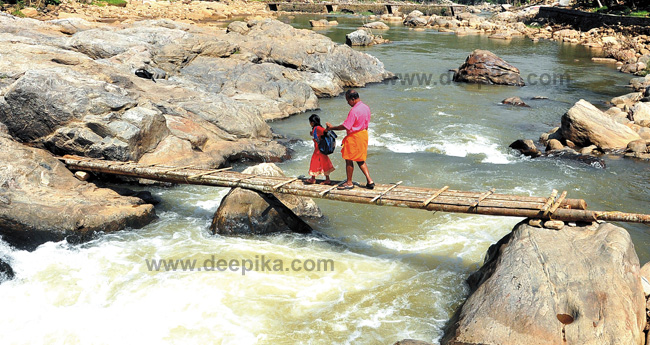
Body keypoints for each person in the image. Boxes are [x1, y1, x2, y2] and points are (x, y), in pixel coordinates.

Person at [326, 89, 375, 190]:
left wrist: (332, 128)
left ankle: (349, 183)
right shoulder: (366, 107)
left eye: (348, 100)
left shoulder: (354, 111)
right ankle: (370, 181)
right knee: (361, 159)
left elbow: (346, 126)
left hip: (354, 137)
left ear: (352, 99)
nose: (348, 103)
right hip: (363, 135)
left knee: (349, 159)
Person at [306, 114, 335, 185]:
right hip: (320, 150)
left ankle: (313, 179)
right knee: (324, 163)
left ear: (312, 122)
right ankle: (327, 179)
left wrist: (327, 128)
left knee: (314, 162)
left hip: (318, 150)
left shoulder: (317, 128)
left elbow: (324, 131)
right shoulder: (316, 128)